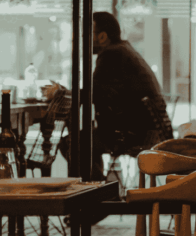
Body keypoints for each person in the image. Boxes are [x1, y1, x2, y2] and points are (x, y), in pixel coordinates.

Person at [75, 12, 174, 181]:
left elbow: (92, 93)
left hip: (130, 135)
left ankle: (98, 191)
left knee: (75, 142)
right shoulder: (125, 50)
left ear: (102, 36)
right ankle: (99, 189)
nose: (83, 40)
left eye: (87, 35)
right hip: (149, 132)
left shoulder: (111, 54)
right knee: (86, 140)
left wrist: (62, 93)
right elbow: (104, 94)